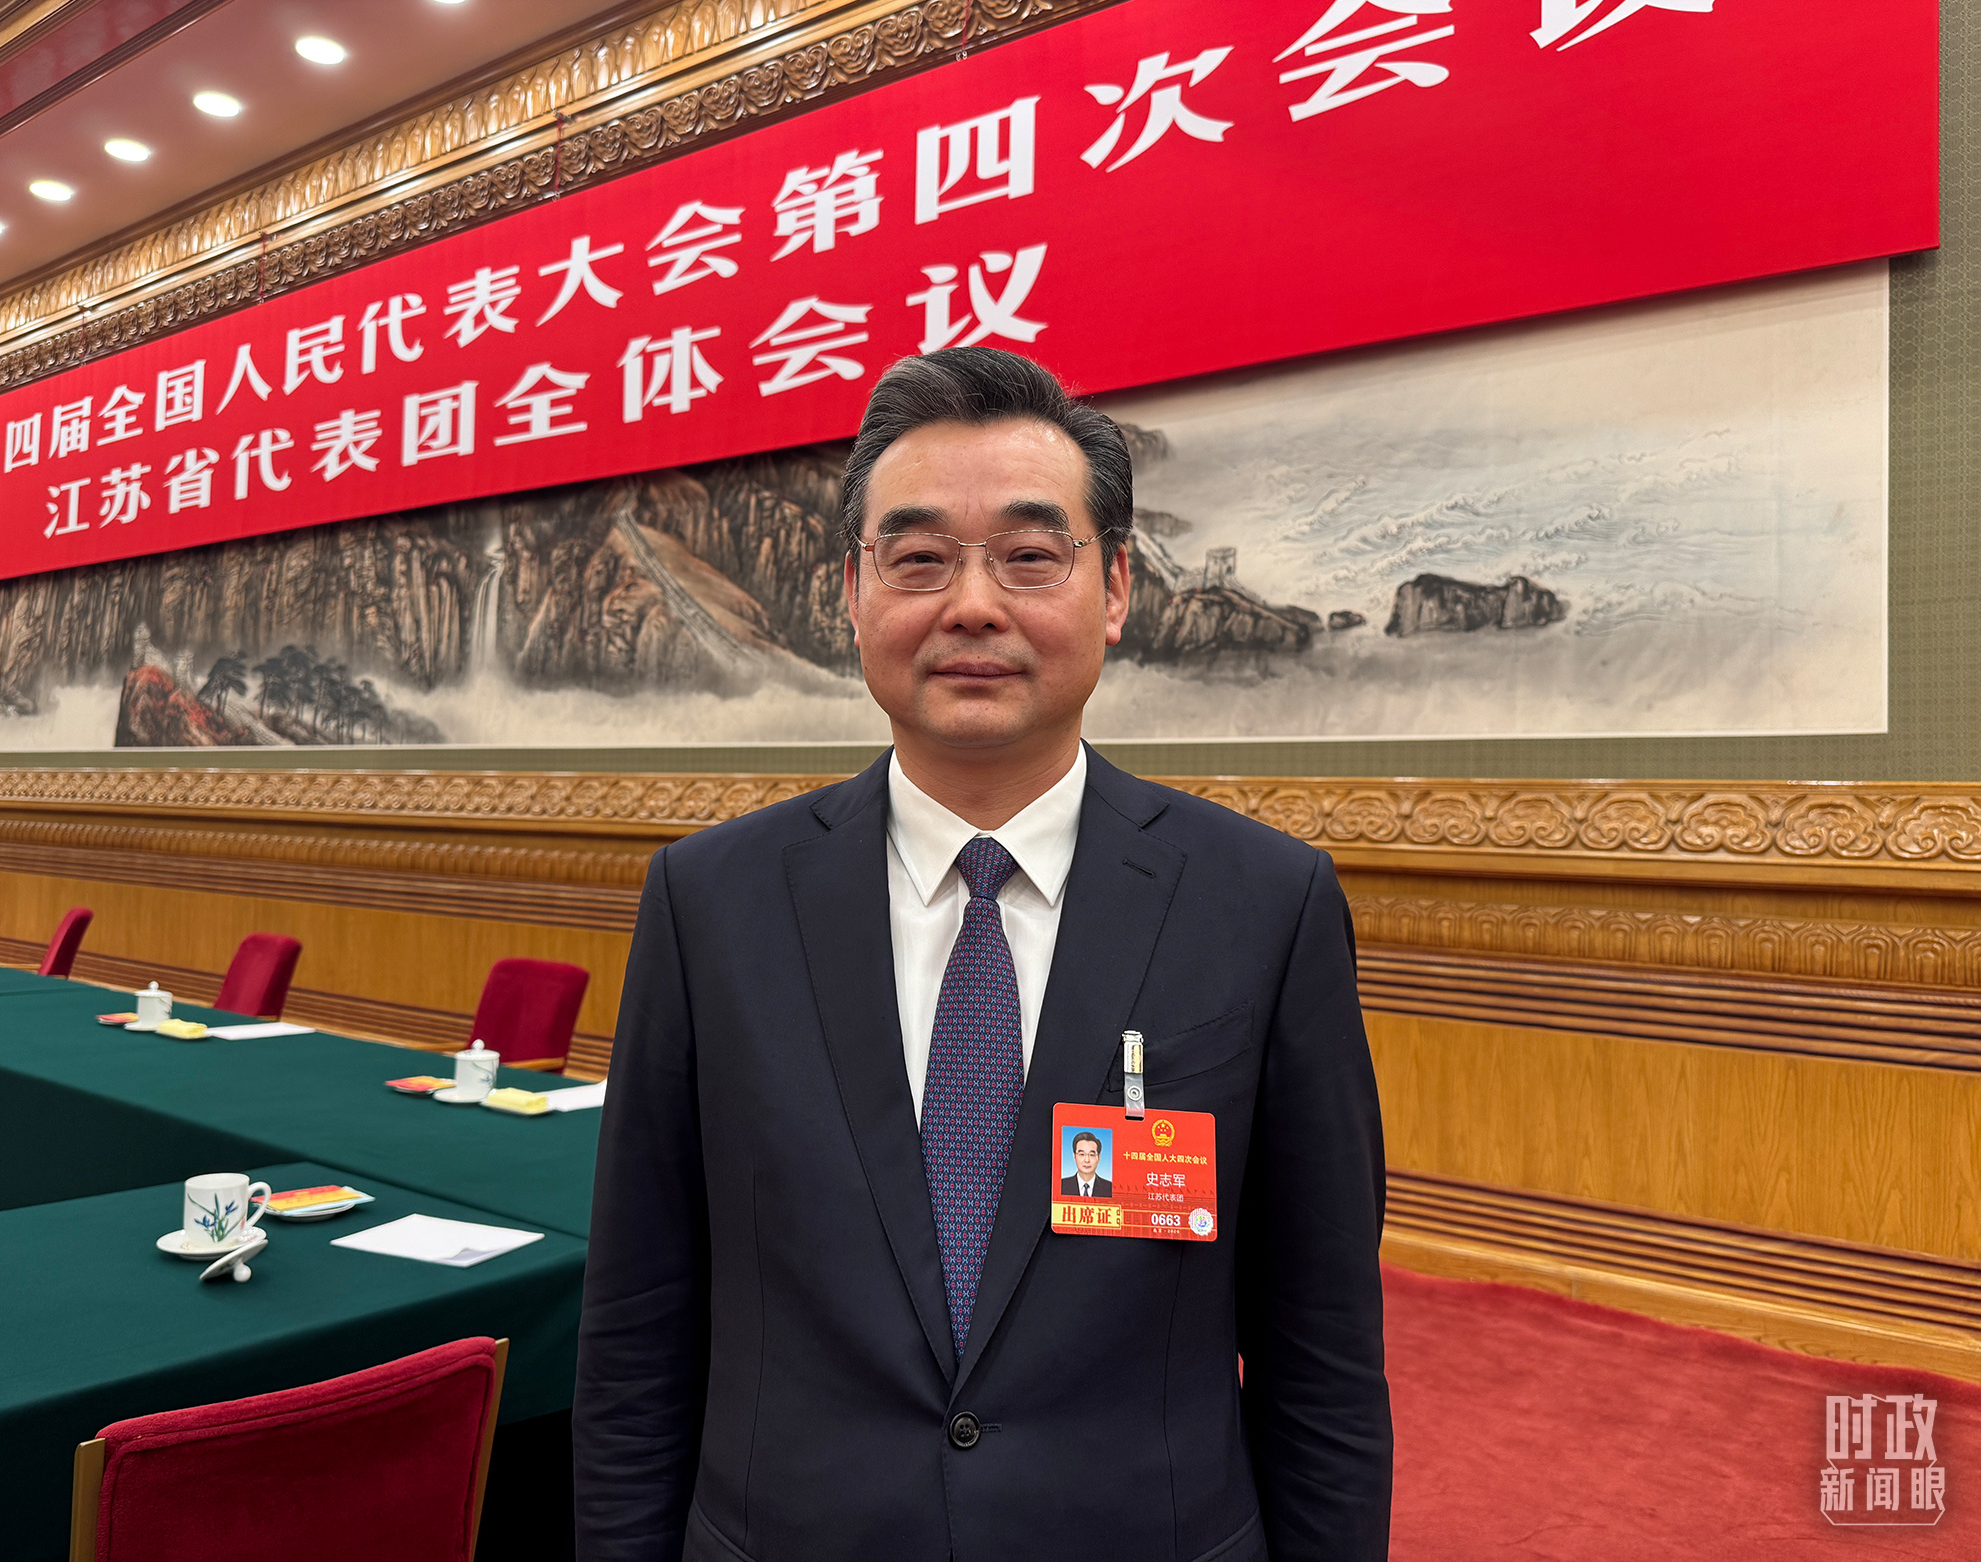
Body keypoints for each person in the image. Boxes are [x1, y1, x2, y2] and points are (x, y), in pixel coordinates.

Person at [574, 347, 1392, 1562]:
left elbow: (1318, 1351)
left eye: (1028, 555)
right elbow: (640, 1319)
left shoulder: (1264, 903)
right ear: (852, 592)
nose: (971, 605)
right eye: (917, 559)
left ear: (1114, 588)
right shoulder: (711, 902)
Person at [1063, 1129, 1114, 1198]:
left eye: (1091, 1155)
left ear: (1099, 1157)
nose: (1087, 1160)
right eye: (1082, 1154)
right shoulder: (1062, 1185)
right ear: (1074, 1156)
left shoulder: (1109, 1188)